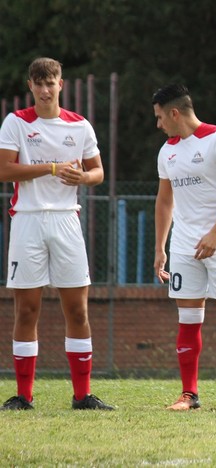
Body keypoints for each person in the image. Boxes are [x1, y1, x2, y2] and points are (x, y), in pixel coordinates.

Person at [0, 57, 113, 410]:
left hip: (66, 219)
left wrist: (84, 178)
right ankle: (24, 396)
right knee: (27, 310)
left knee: (77, 311)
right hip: (28, 220)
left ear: (61, 84)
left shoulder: (79, 126)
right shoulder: (15, 122)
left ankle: (82, 396)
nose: (46, 89)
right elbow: (4, 170)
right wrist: (50, 167)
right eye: (39, 83)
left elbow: (98, 172)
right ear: (30, 86)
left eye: (52, 82)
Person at [152, 84, 216, 411]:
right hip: (184, 247)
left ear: (174, 113)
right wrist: (160, 248)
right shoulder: (167, 151)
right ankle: (189, 394)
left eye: (159, 117)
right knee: (188, 319)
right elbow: (164, 201)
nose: (158, 125)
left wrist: (214, 233)